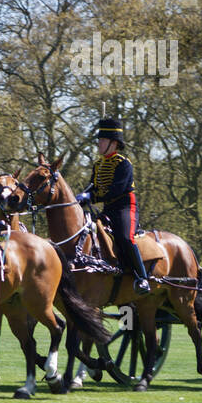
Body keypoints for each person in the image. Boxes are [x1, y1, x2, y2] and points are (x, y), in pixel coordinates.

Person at [75, 117, 150, 294]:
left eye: (103, 141)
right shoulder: (98, 165)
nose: (99, 144)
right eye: (99, 140)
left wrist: (91, 196)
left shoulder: (123, 164)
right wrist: (81, 196)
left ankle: (142, 277)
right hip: (108, 209)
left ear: (113, 143)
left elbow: (116, 190)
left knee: (125, 237)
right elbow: (93, 185)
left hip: (125, 207)